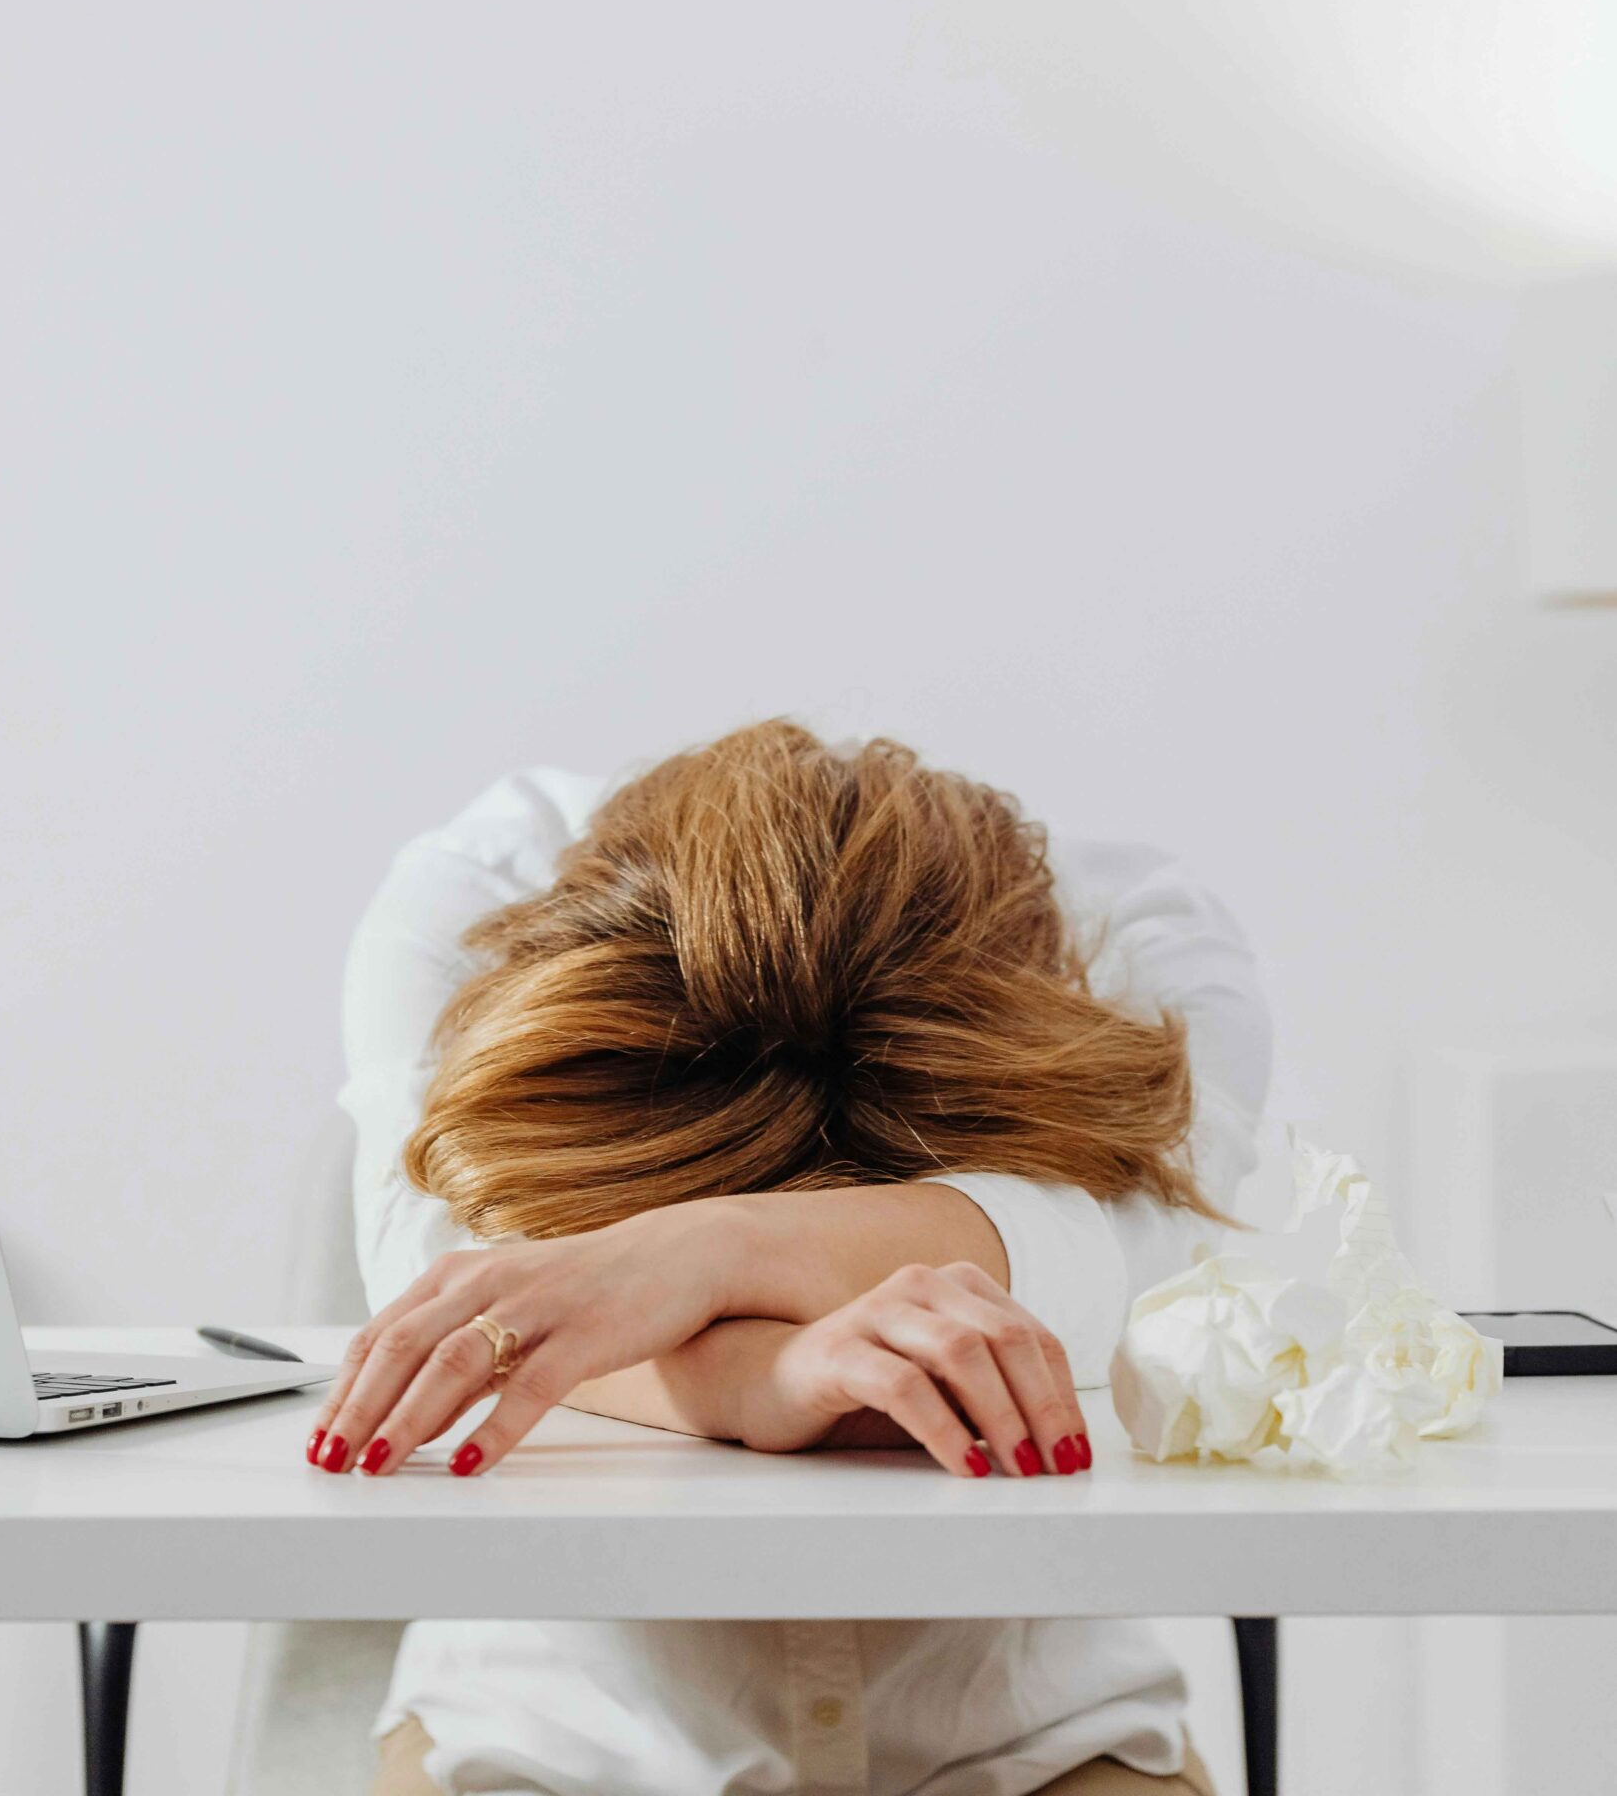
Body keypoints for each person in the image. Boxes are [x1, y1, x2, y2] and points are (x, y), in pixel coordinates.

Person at [317, 720, 1271, 1795]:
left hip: (1039, 1742)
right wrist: (765, 1378)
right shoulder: (477, 885)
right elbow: (461, 1305)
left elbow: (1143, 1265)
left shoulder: (1139, 938)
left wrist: (707, 1248)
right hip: (554, 1740)